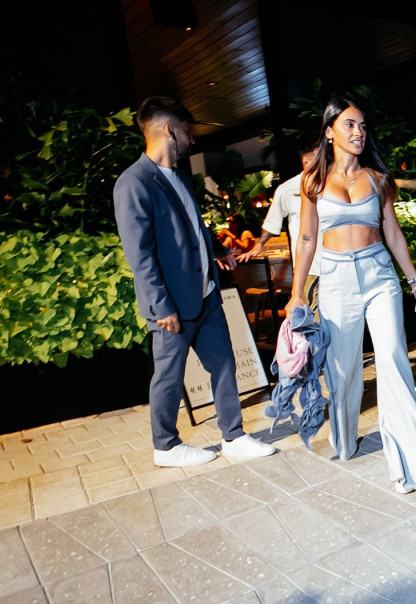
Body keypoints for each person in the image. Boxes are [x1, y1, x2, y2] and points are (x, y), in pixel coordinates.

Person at [114, 96, 277, 467]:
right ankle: (166, 446)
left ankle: (233, 436)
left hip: (206, 296)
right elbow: (139, 254)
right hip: (172, 304)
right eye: (187, 131)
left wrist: (217, 251)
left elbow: (193, 230)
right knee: (169, 377)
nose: (191, 138)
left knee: (224, 366)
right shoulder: (133, 183)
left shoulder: (182, 177)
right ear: (170, 130)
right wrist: (160, 306)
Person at [285, 97, 416, 494]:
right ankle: (345, 440)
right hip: (335, 279)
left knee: (394, 362)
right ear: (329, 130)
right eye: (349, 125)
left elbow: (393, 234)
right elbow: (308, 238)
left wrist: (414, 280)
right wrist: (297, 292)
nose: (358, 133)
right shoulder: (313, 181)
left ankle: (408, 466)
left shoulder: (378, 178)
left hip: (379, 275)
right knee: (344, 369)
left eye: (363, 126)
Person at [239, 139, 323, 309]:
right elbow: (272, 222)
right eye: (322, 157)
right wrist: (259, 245)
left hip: (341, 267)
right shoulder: (288, 189)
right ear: (306, 161)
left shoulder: (336, 186)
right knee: (316, 322)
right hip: (311, 270)